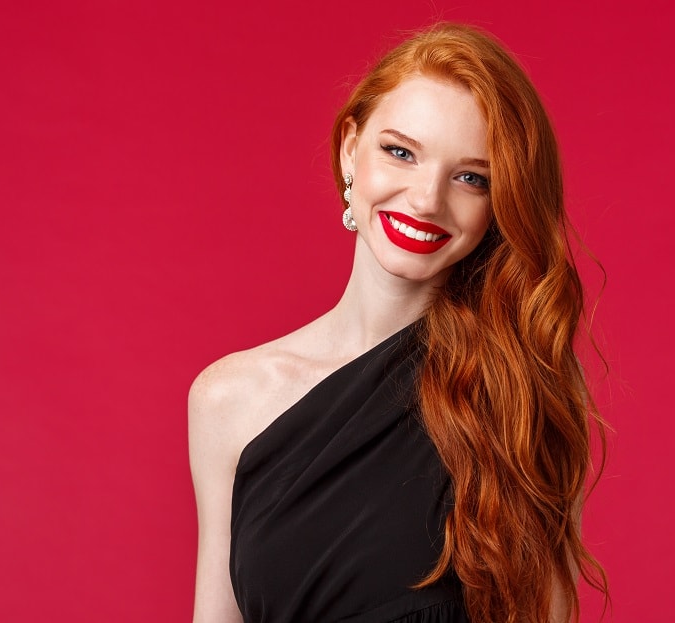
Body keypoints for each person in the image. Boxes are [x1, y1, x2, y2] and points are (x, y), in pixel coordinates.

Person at [189, 22, 607, 623]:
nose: (427, 199)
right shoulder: (226, 400)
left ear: (500, 202)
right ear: (349, 150)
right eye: (401, 152)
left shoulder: (521, 385)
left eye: (471, 178)